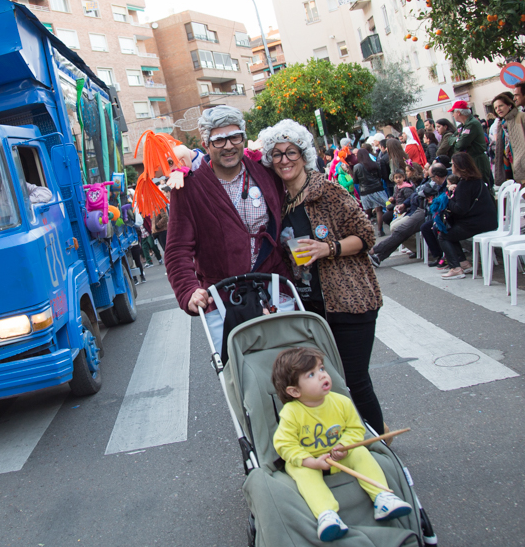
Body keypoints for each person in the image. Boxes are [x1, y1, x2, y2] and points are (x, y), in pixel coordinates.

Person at [262, 120, 388, 437]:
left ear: (303, 155)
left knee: (354, 379)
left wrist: (327, 248)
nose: (284, 160)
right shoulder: (277, 203)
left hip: (349, 300)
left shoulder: (327, 192)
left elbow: (365, 236)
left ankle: (379, 444)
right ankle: (347, 441)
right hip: (309, 307)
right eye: (276, 154)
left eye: (291, 152)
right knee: (322, 384)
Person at [165, 105, 293, 351]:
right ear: (206, 144)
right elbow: (177, 250)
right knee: (243, 375)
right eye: (218, 139)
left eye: (234, 137)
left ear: (243, 138)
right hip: (224, 298)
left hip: (274, 286)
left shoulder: (266, 173)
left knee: (293, 366)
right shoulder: (189, 188)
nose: (228, 145)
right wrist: (188, 290)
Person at [271, 347, 412, 542]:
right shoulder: (291, 412)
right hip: (311, 460)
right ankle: (327, 514)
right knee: (300, 471)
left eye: (321, 369)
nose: (322, 375)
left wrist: (344, 446)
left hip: (340, 454)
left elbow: (355, 429)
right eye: (311, 374)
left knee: (361, 452)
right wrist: (310, 462)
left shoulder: (341, 402)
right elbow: (284, 444)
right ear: (294, 391)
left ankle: (382, 497)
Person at [437, 153, 498, 279]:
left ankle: (456, 268)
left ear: (459, 167)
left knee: (444, 236)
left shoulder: (465, 184)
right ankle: (463, 263)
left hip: (477, 223)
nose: (451, 167)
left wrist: (448, 200)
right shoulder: (475, 180)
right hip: (487, 220)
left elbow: (460, 209)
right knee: (449, 233)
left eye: (453, 164)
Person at [449, 101, 494, 185]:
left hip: (477, 160)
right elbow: (450, 139)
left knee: (483, 185)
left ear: (458, 113)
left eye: (453, 112)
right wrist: (457, 139)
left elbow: (460, 145)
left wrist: (457, 140)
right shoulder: (463, 125)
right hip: (471, 160)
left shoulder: (472, 124)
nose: (452, 115)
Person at [352, 145, 387, 236]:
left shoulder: (357, 167)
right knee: (379, 210)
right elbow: (380, 175)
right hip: (377, 188)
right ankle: (380, 230)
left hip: (365, 191)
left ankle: (368, 232)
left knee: (367, 212)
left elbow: (355, 181)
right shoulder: (374, 163)